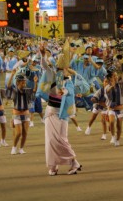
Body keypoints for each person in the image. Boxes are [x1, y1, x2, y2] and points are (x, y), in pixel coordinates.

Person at [38, 41, 82, 176]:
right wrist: (42, 54)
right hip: (51, 112)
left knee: (62, 140)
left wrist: (65, 92)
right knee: (50, 140)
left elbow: (69, 91)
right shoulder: (52, 74)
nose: (60, 70)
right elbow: (45, 66)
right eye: (59, 68)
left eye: (62, 68)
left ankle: (74, 162)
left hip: (62, 114)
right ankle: (53, 165)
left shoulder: (68, 80)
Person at [7, 73, 37, 155]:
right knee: (19, 133)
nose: (24, 83)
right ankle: (14, 147)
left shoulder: (27, 90)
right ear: (18, 82)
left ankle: (21, 148)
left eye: (24, 82)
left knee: (25, 133)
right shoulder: (14, 90)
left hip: (26, 113)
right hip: (17, 114)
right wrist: (12, 75)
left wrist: (35, 82)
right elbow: (8, 86)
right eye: (22, 82)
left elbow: (34, 91)